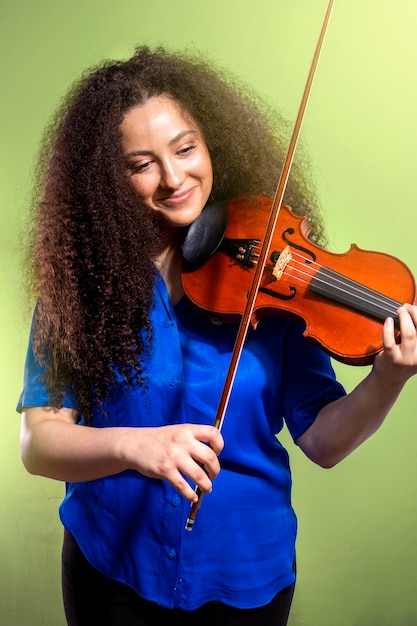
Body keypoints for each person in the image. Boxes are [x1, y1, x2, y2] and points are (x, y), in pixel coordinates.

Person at [17, 45, 417, 626]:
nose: (175, 177)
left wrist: (390, 376)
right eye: (141, 164)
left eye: (185, 148)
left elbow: (324, 444)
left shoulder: (277, 273)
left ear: (213, 143)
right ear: (108, 179)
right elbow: (40, 443)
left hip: (245, 574)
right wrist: (138, 446)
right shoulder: (80, 286)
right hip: (110, 565)